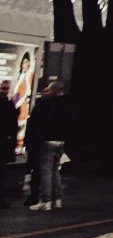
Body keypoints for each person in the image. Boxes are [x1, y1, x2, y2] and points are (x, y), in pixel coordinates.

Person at [26, 79, 72, 211]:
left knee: (46, 171)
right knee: (55, 170)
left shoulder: (50, 104)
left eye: (49, 89)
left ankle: (45, 200)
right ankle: (57, 199)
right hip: (61, 141)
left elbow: (43, 124)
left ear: (55, 91)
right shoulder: (67, 104)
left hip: (48, 141)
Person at [0, 80, 17, 207]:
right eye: (2, 88)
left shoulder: (9, 104)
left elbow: (13, 126)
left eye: (6, 88)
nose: (4, 90)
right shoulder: (9, 105)